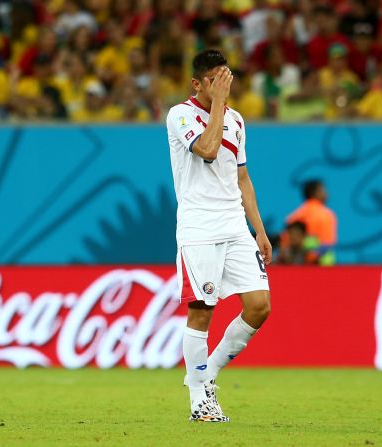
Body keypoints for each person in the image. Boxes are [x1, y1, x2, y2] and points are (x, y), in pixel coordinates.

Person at [165, 49, 272, 423]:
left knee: (260, 306)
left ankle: (207, 374)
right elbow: (208, 150)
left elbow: (241, 177)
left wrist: (258, 229)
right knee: (202, 311)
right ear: (198, 83)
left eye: (227, 77)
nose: (224, 85)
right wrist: (219, 105)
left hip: (234, 225)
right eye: (216, 79)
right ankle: (198, 399)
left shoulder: (238, 120)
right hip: (199, 226)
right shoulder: (180, 115)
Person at [285, 179, 337, 265]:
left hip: (298, 260)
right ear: (315, 193)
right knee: (329, 255)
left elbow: (286, 240)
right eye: (323, 190)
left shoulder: (295, 215)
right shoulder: (327, 215)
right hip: (319, 262)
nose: (326, 194)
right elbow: (328, 243)